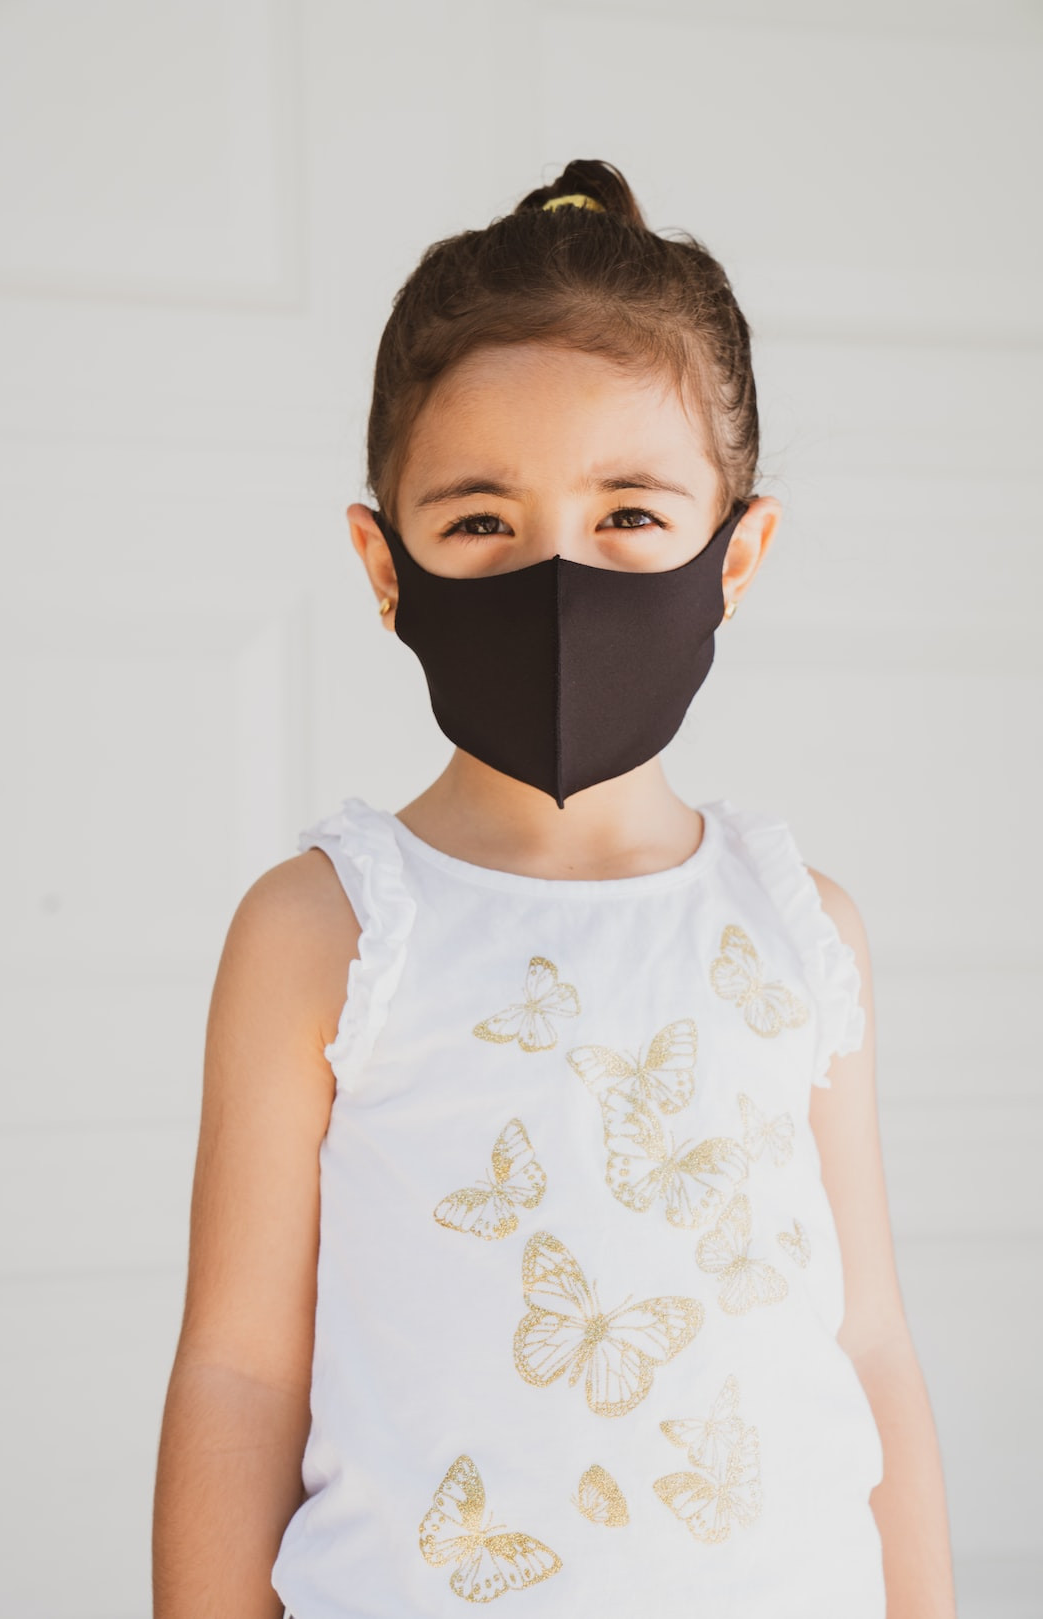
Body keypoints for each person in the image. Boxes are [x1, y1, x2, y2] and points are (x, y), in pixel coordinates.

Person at [152, 160, 959, 1619]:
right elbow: (239, 1371)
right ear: (384, 564)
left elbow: (872, 1345)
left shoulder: (801, 928)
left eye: (630, 515)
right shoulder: (325, 933)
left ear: (739, 553)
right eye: (481, 524)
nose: (560, 580)